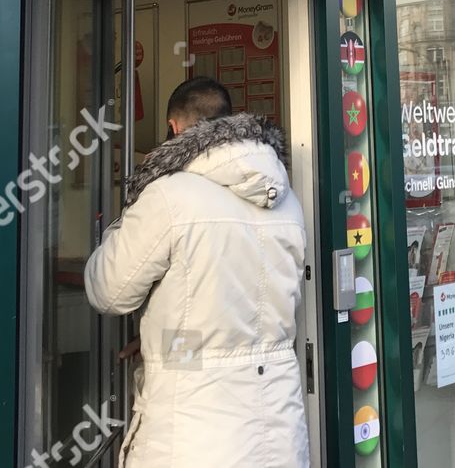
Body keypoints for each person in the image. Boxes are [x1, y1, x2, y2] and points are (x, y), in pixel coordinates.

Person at [85, 76, 309, 467]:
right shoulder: (287, 201)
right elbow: (249, 316)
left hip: (192, 436)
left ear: (173, 129)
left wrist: (125, 218)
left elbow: (108, 290)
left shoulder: (169, 196)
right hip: (280, 433)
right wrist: (165, 335)